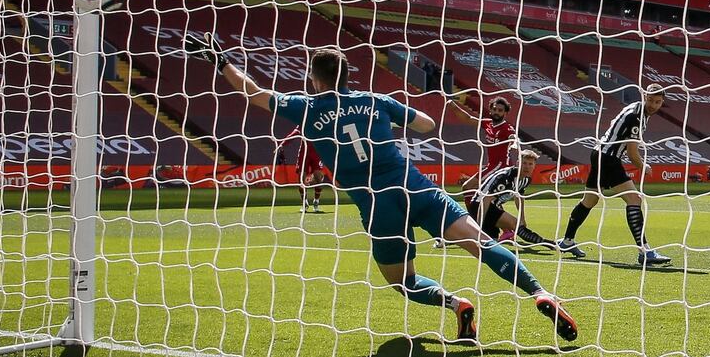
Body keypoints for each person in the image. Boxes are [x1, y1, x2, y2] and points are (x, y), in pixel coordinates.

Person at [185, 33, 578, 343]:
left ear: (315, 77)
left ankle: (457, 304)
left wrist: (222, 62)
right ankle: (541, 293)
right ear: (346, 77)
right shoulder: (376, 100)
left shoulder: (304, 106)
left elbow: (252, 92)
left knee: (402, 281)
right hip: (415, 187)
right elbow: (425, 124)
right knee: (482, 243)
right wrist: (387, 121)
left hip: (377, 205)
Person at [558, 84, 672, 266]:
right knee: (634, 199)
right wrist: (643, 166)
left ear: (662, 102)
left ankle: (567, 241)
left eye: (657, 102)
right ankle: (645, 251)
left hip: (599, 153)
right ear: (644, 96)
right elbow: (632, 152)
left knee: (590, 200)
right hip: (608, 158)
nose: (653, 105)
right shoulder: (636, 116)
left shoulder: (636, 109)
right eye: (650, 100)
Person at [435, 97, 519, 247]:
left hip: (501, 167)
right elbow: (468, 118)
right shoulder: (488, 123)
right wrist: (454, 106)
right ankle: (507, 230)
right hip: (491, 166)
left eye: (500, 110)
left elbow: (513, 137)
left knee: (468, 188)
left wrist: (514, 144)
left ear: (505, 113)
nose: (496, 112)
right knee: (487, 198)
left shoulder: (506, 128)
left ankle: (473, 227)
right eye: (494, 109)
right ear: (491, 109)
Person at [464, 150, 557, 249]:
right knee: (515, 225)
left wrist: (522, 217)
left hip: (492, 208)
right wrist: (479, 225)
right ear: (518, 163)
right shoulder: (506, 177)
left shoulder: (526, 179)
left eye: (530, 164)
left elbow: (519, 197)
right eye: (524, 163)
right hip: (480, 207)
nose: (527, 167)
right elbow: (485, 199)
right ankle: (548, 243)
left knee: (492, 245)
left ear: (534, 166)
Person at [275, 125, 325, 212]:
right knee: (301, 180)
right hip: (304, 154)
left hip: (317, 153)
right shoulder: (303, 123)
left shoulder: (320, 121)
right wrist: (282, 145)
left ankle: (316, 201)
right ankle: (304, 203)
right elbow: (293, 134)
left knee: (318, 179)